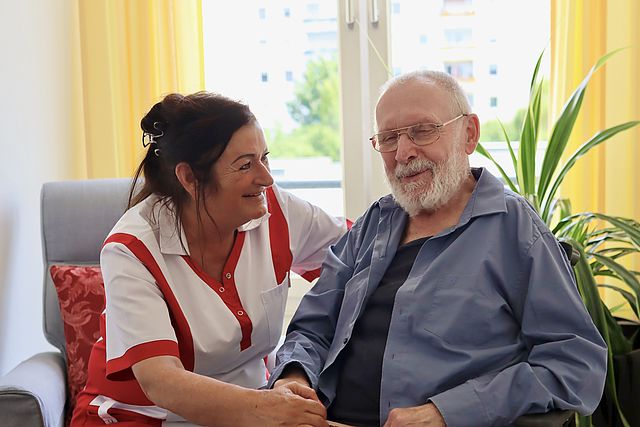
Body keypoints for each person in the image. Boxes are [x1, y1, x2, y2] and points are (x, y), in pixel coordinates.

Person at [268, 70, 608, 427]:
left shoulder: (515, 230)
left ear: (469, 134)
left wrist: (448, 413)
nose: (403, 153)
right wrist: (294, 376)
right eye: (389, 138)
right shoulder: (374, 222)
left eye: (422, 131)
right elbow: (313, 325)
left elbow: (575, 363)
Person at [70, 92, 347, 427]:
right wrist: (268, 408)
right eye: (245, 165)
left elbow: (365, 250)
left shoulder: (276, 210)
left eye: (265, 158)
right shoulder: (131, 249)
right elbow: (160, 380)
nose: (266, 178)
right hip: (141, 416)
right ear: (190, 178)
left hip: (250, 411)